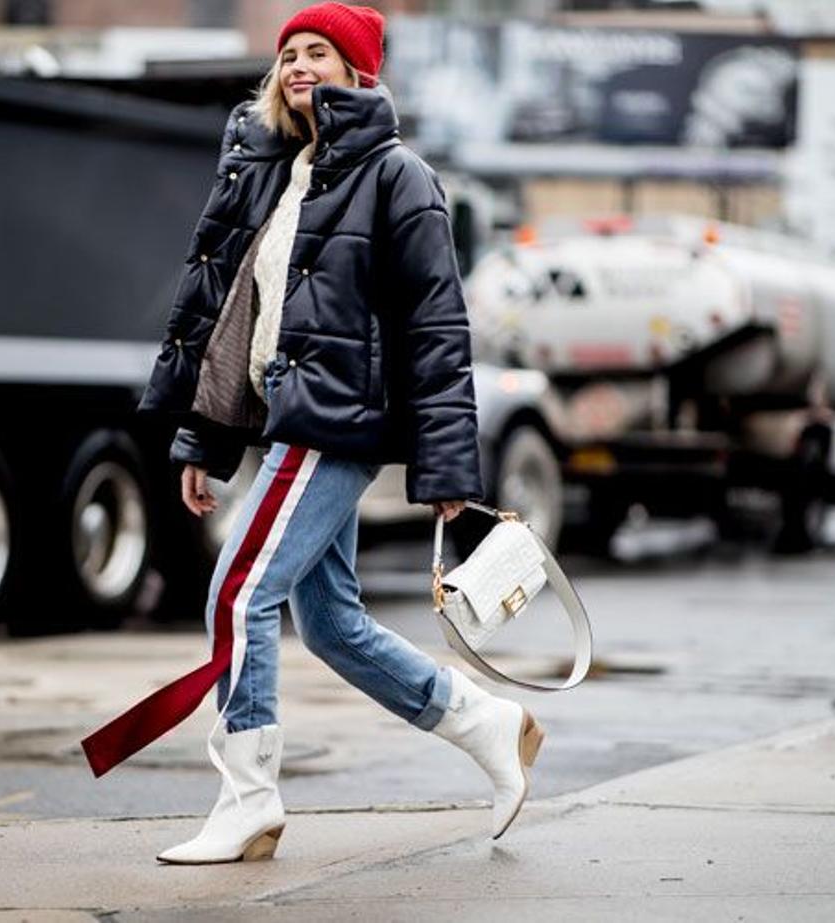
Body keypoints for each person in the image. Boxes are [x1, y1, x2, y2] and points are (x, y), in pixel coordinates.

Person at [79, 1, 544, 864]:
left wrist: (447, 467)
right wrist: (206, 441)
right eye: (288, 52)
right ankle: (488, 723)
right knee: (329, 622)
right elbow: (226, 317)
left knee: (237, 591)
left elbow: (436, 327)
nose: (297, 64)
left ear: (359, 73)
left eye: (319, 52)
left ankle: (248, 798)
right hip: (291, 418)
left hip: (339, 426)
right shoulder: (273, 169)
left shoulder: (398, 176)